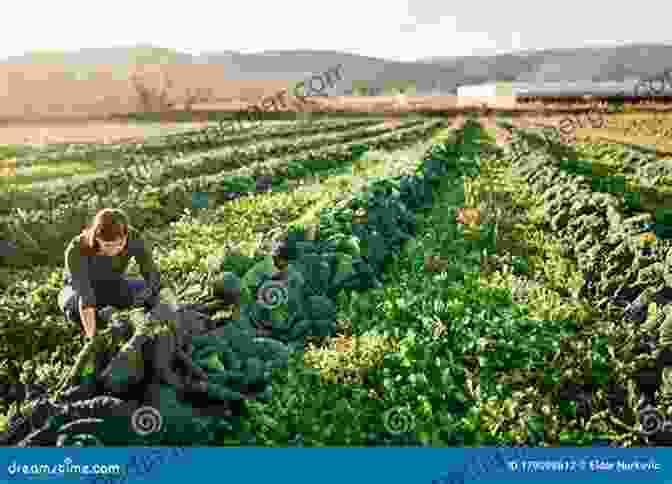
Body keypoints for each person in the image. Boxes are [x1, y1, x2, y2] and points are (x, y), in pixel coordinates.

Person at [58, 208, 162, 343]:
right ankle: (101, 324)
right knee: (70, 305)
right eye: (107, 245)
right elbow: (85, 297)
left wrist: (144, 297)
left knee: (151, 290)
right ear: (96, 237)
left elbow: (151, 272)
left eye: (120, 244)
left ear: (126, 236)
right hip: (80, 290)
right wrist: (93, 338)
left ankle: (121, 316)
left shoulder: (133, 237)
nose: (114, 249)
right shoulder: (76, 250)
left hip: (114, 284)